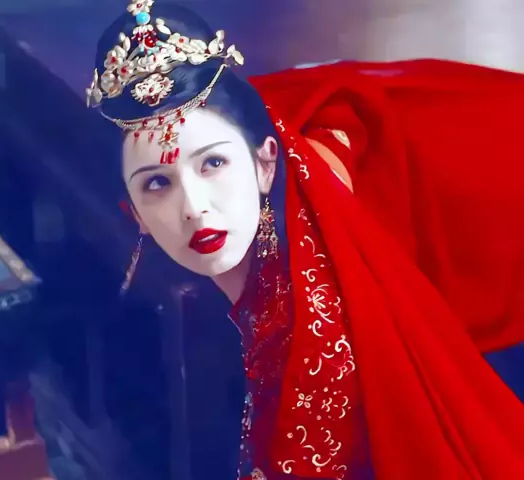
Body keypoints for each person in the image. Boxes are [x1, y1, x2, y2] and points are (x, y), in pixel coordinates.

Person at [86, 1, 524, 478]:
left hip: (490, 179)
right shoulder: (213, 144)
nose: (193, 207)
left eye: (213, 164)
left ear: (265, 163)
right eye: (157, 183)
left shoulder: (316, 310)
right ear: (133, 211)